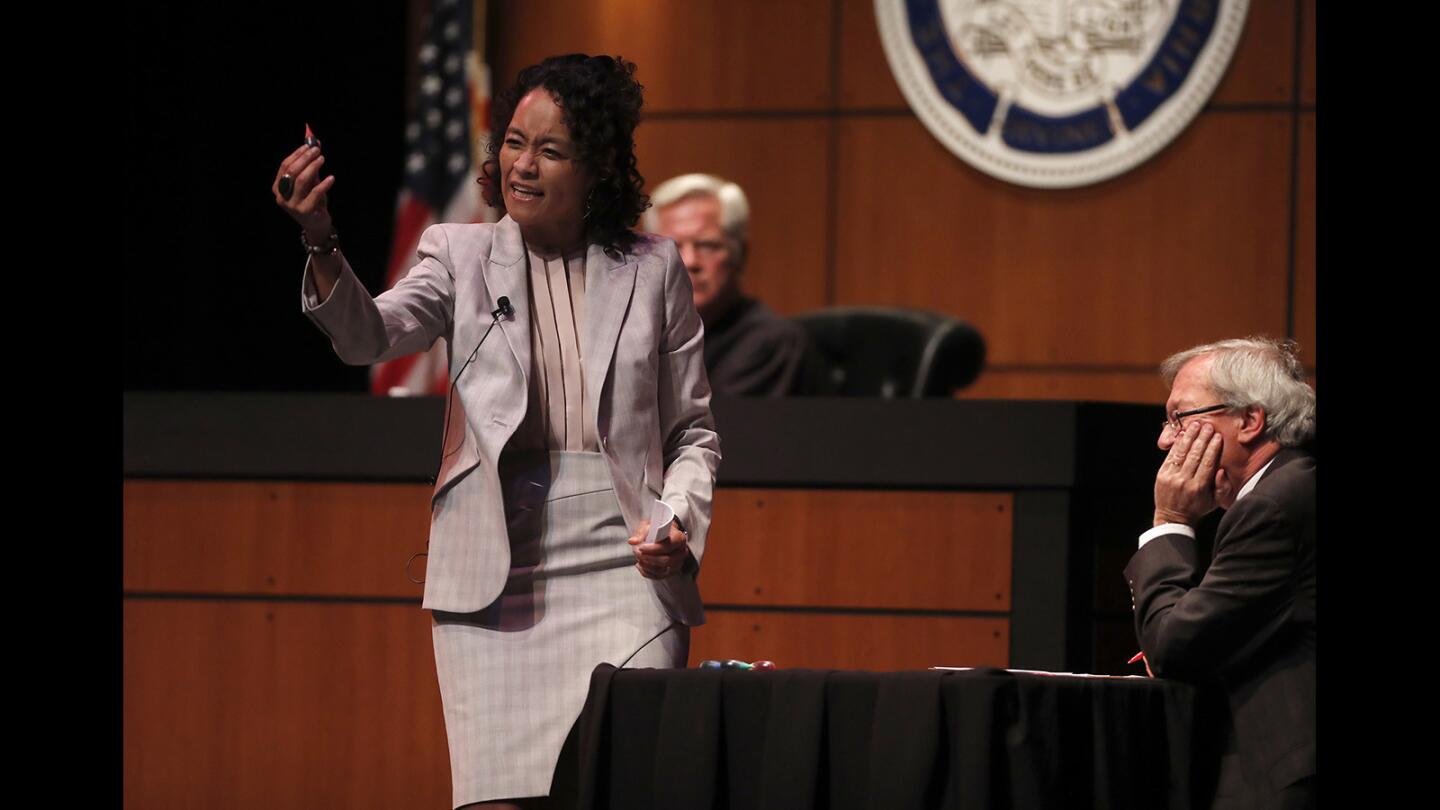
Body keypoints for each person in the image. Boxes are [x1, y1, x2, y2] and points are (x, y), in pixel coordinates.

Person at [272, 54, 720, 810]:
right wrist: (320, 240)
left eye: (550, 150)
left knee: (621, 785)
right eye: (515, 142)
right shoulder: (461, 255)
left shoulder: (653, 268)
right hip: (495, 571)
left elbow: (693, 435)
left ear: (598, 167)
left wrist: (676, 521)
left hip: (626, 568)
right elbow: (367, 336)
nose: (523, 165)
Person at [1124, 337, 1315, 810]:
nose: (1165, 440)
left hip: (1284, 775)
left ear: (1249, 420)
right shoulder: (1290, 485)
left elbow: (1173, 649)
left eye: (1179, 418)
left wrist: (1170, 520)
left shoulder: (1272, 506)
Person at [643, 173, 811, 396]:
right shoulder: (643, 337)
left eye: (707, 245)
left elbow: (711, 427)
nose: (690, 262)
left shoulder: (773, 343)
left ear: (740, 254)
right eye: (672, 248)